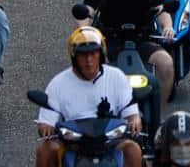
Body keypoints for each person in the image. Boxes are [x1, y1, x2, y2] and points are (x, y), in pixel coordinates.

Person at [34, 24, 145, 167]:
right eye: (83, 55)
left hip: (109, 141)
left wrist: (135, 121)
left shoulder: (117, 77)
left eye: (93, 53)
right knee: (45, 150)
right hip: (73, 143)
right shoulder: (57, 83)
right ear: (74, 57)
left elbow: (131, 113)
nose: (89, 60)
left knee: (132, 149)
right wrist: (45, 128)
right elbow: (46, 121)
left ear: (101, 54)